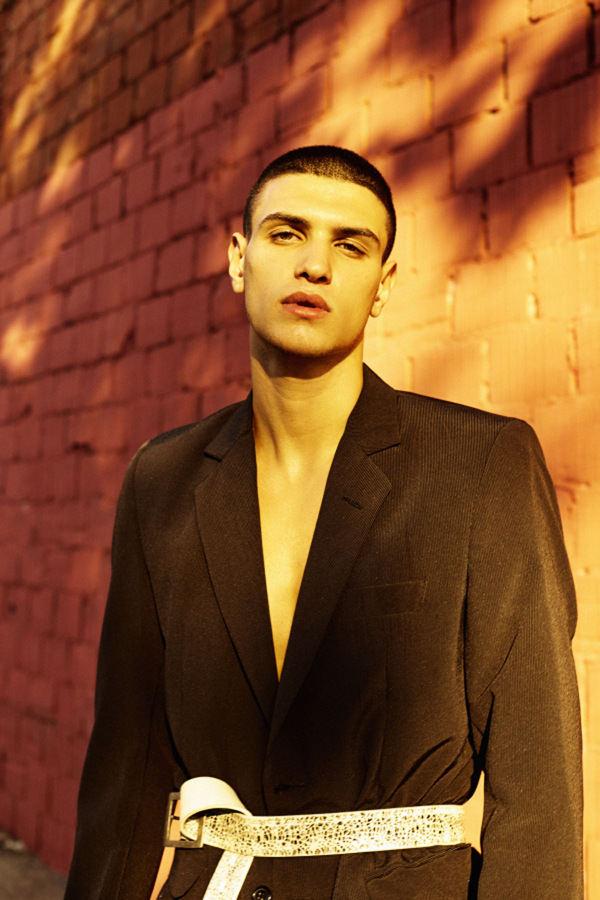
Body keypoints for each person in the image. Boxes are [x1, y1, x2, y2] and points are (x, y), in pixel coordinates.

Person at [65, 146, 583, 899]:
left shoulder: (480, 464)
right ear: (239, 258)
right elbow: (124, 768)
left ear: (383, 286)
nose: (315, 266)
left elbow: (537, 783)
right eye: (287, 234)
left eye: (350, 246)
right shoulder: (162, 478)